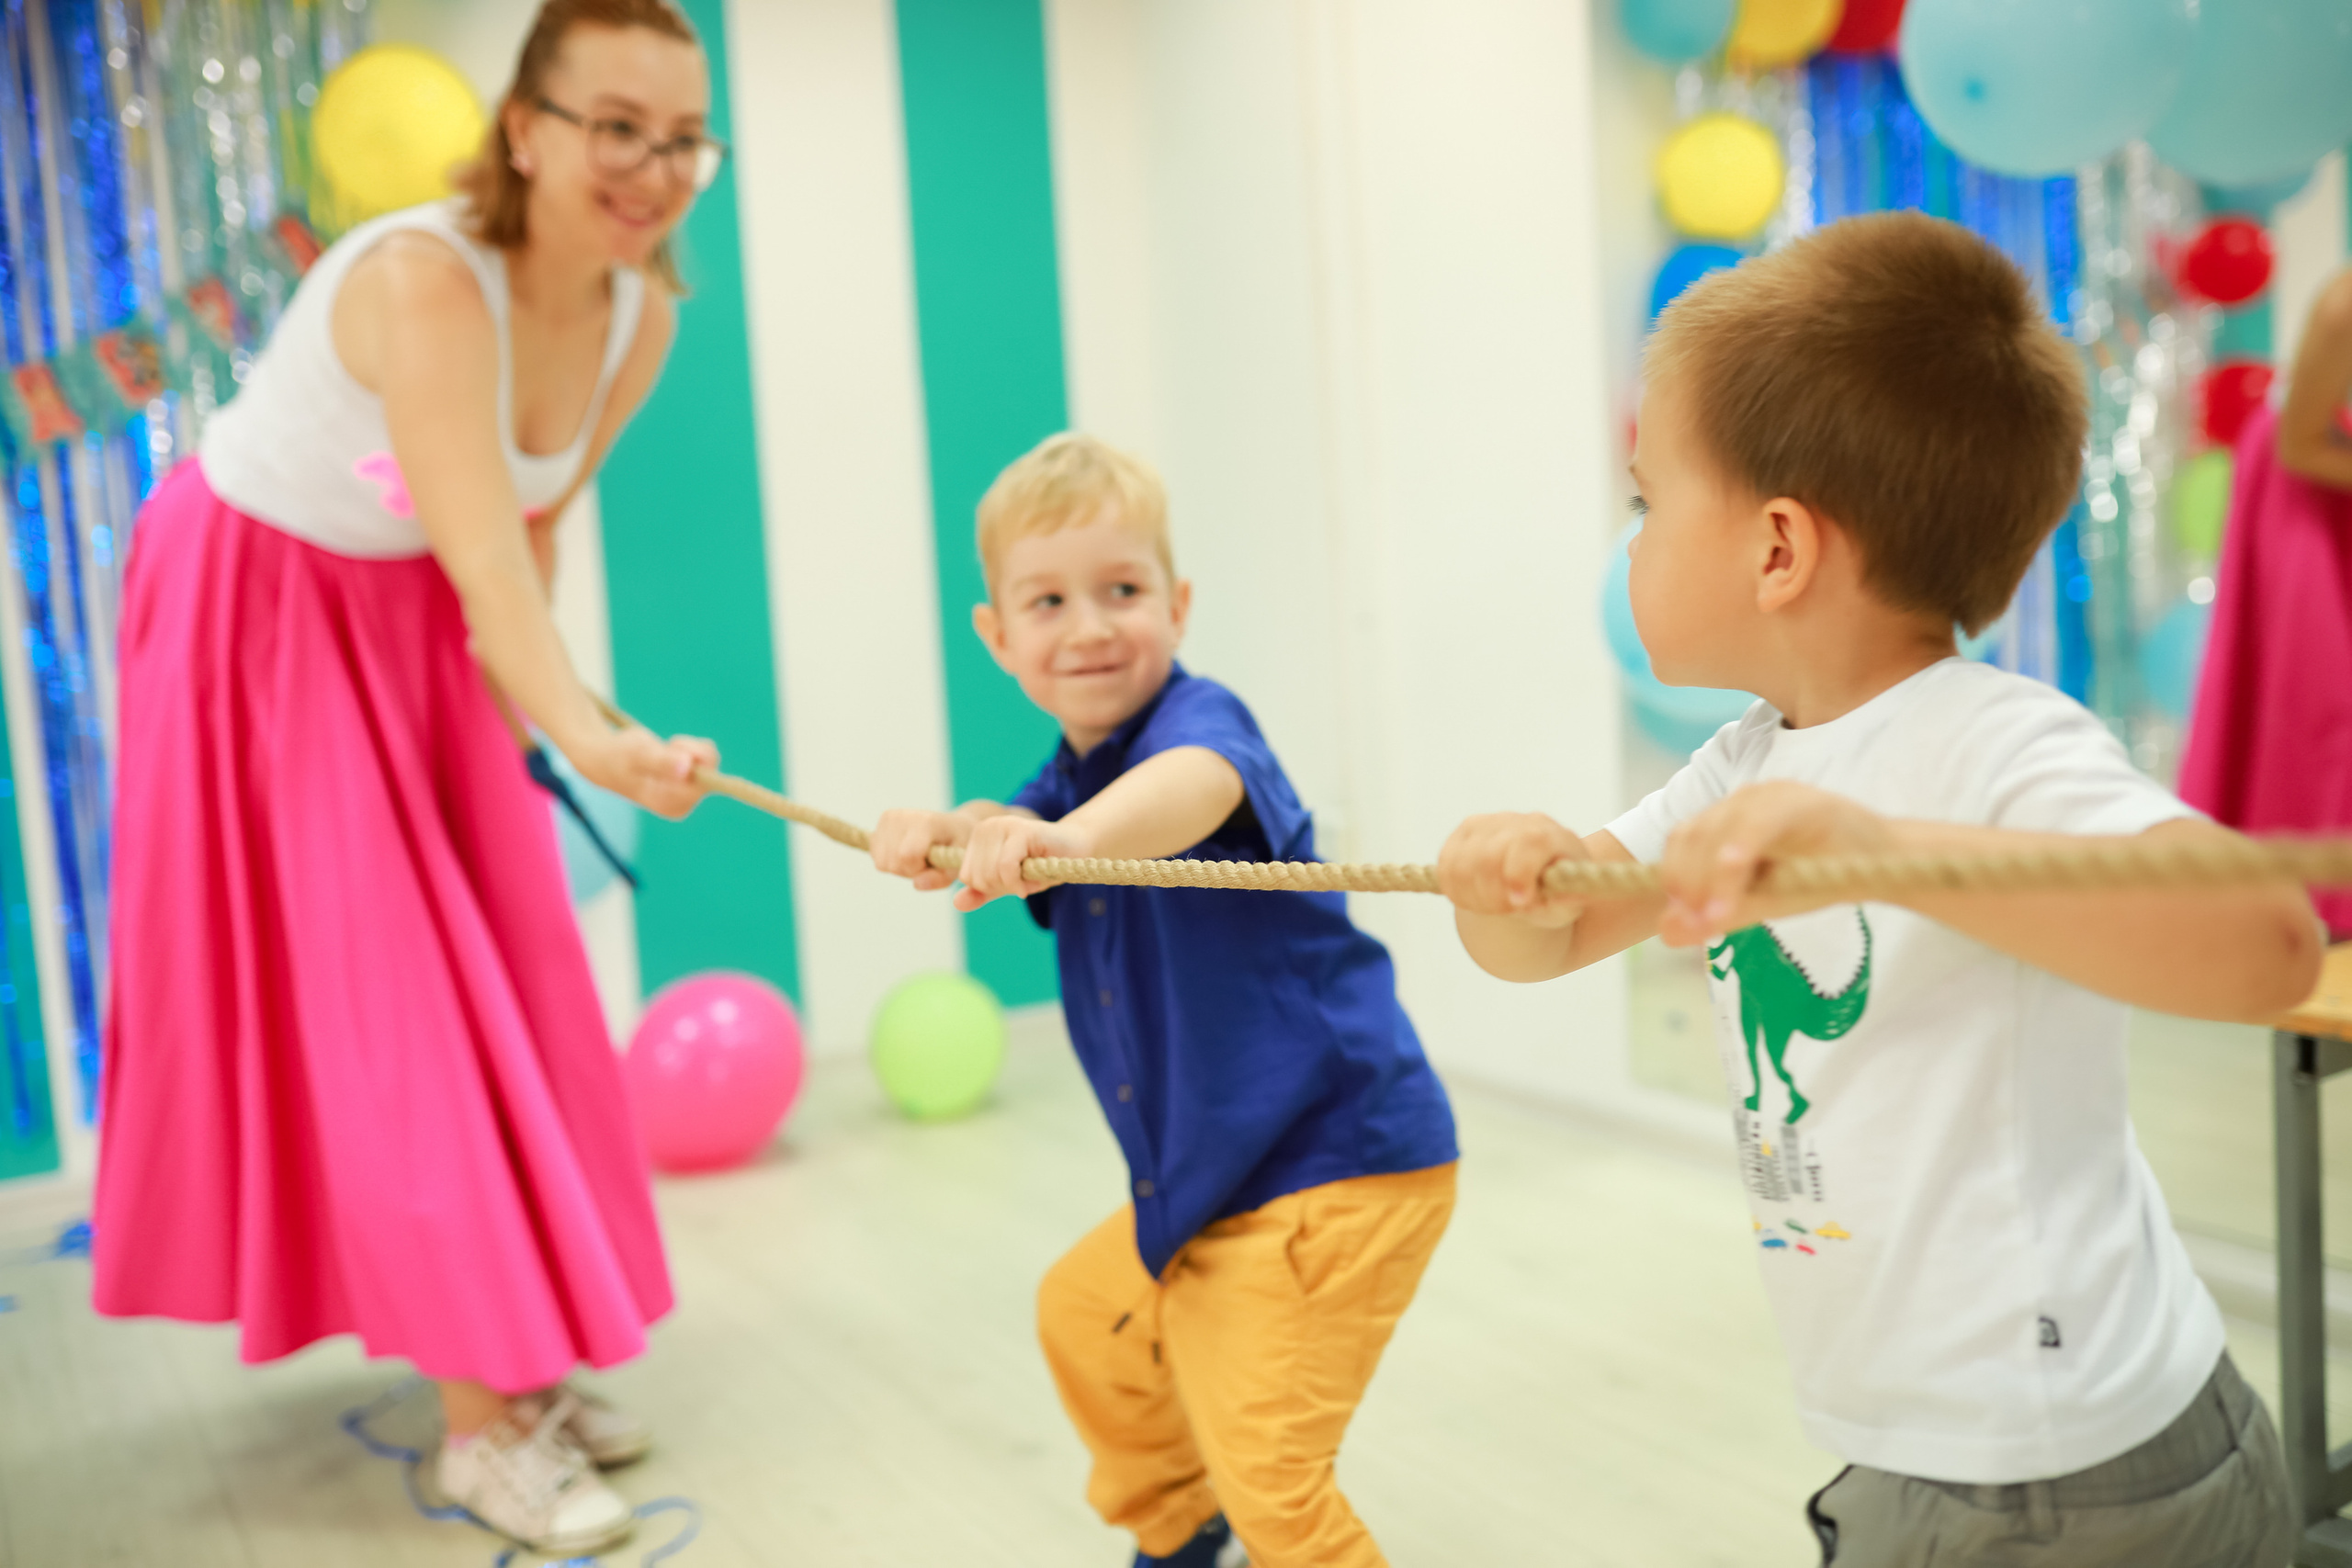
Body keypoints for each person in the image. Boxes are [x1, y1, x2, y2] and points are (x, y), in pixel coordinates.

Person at [1436, 212, 2319, 1566]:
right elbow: (1544, 943)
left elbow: (2264, 948)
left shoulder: (1996, 738)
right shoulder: (1741, 764)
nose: (1631, 540)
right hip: (1928, 1444)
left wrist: (1883, 845)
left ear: (1778, 549)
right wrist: (1505, 875)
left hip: (2076, 1470)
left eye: (1647, 502)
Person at [90, 1, 726, 1553]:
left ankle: (518, 1358)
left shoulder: (642, 310)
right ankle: (476, 1429)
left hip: (418, 606)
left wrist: (546, 720)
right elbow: (479, 553)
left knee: (507, 979)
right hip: (260, 603)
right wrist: (592, 737)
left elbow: (534, 529)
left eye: (682, 137)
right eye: (613, 126)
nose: (650, 168)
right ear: (526, 129)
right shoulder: (427, 285)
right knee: (392, 1017)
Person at [868, 434, 1459, 1568]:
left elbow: (1192, 790)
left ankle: (1237, 1521)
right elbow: (1001, 818)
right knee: (1085, 1318)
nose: (1089, 626)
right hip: (1216, 1175)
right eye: (1047, 600)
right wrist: (942, 830)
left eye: (1123, 590)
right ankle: (1186, 1535)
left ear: (1177, 605)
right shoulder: (1068, 773)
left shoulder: (1195, 732)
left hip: (1329, 1167)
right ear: (997, 637)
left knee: (1276, 1477)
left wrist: (1069, 841)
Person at [2180, 264, 2352, 935]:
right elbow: (2300, 445)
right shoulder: (2344, 305)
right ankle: (2315, 897)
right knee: (2320, 698)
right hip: (2309, 488)